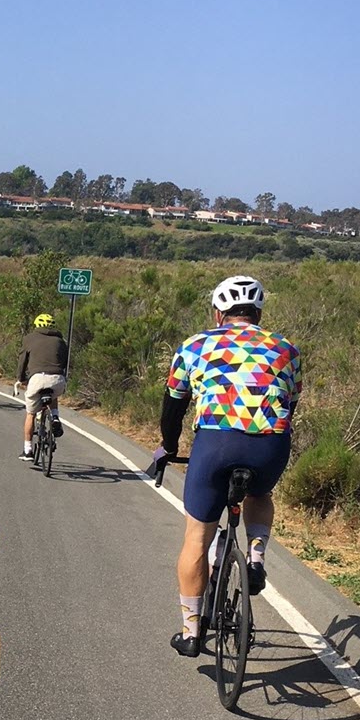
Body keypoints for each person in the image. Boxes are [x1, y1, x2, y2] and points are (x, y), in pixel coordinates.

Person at [155, 275, 301, 657]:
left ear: (219, 312)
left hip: (215, 445)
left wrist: (168, 447)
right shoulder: (287, 349)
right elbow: (291, 400)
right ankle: (255, 556)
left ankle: (190, 633)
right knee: (260, 492)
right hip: (270, 444)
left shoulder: (193, 345)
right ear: (257, 313)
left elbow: (173, 406)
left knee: (196, 539)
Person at [14, 313, 69, 459]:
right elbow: (65, 362)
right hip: (58, 378)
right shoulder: (61, 341)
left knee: (31, 414)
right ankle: (55, 417)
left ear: (37, 325)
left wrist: (21, 378)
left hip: (37, 378)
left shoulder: (29, 339)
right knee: (53, 395)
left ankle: (28, 450)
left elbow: (22, 361)